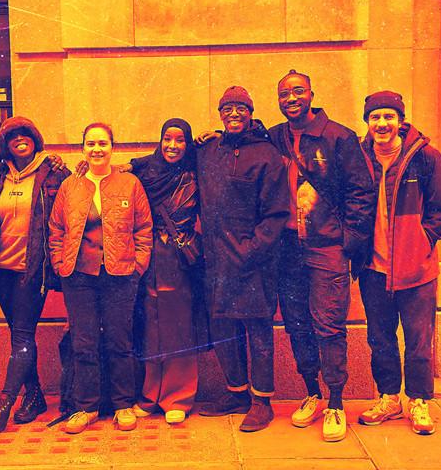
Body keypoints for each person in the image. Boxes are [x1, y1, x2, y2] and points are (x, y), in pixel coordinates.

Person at [269, 70, 376, 442]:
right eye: (284, 94)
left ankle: (335, 402)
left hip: (327, 247)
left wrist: (349, 241)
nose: (291, 99)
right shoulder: (275, 137)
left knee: (329, 326)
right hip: (288, 248)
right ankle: (311, 392)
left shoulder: (338, 137)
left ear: (312, 94)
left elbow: (361, 193)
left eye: (298, 91)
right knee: (297, 324)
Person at [357, 91, 441, 435]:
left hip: (417, 270)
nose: (382, 123)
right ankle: (389, 398)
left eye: (389, 116)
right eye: (375, 117)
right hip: (373, 269)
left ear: (400, 120)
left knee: (418, 341)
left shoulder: (425, 157)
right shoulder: (360, 158)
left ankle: (418, 400)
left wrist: (423, 240)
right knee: (380, 338)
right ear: (367, 122)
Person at [49, 122, 153, 434]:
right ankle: (86, 407)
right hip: (79, 276)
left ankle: (123, 404)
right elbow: (56, 228)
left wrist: (138, 265)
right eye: (91, 144)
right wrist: (59, 262)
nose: (97, 149)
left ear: (112, 147)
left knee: (120, 341)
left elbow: (144, 228)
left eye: (102, 143)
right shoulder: (70, 186)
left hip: (120, 275)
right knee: (84, 342)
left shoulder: (130, 183)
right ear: (83, 148)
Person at [197, 86, 289, 433]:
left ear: (250, 113)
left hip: (253, 263)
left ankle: (262, 401)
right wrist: (130, 164)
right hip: (215, 262)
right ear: (220, 114)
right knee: (223, 329)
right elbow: (166, 159)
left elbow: (276, 213)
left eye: (240, 109)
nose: (234, 114)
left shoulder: (266, 154)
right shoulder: (208, 150)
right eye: (227, 109)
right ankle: (236, 393)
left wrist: (251, 250)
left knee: (257, 331)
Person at [0, 116, 70, 432]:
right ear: (6, 145)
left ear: (35, 139)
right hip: (2, 269)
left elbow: (73, 199)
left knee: (23, 333)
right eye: (13, 136)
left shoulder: (52, 172)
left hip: (32, 270)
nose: (20, 140)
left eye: (26, 134)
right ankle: (34, 395)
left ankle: (3, 404)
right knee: (19, 335)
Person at [129, 118, 201, 425]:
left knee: (178, 326)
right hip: (149, 257)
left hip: (179, 258)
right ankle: (151, 394)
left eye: (180, 140)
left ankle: (178, 397)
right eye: (167, 139)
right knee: (151, 325)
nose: (172, 146)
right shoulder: (146, 171)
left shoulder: (195, 171)